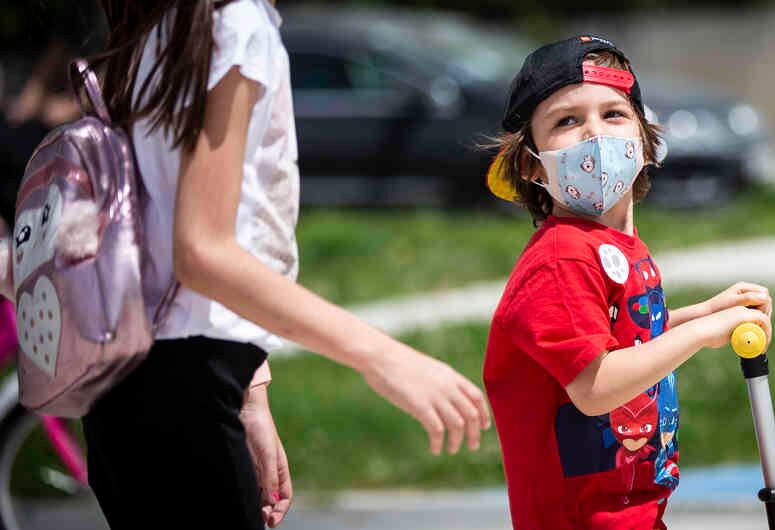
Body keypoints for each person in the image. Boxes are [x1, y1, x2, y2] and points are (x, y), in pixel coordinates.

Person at [78, 1, 491, 529]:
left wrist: (250, 389)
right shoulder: (233, 22)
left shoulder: (162, 20)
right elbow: (203, 252)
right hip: (182, 384)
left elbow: (162, 239)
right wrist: (383, 357)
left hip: (132, 377)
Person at [482, 35, 773, 529]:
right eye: (566, 121)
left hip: (632, 509)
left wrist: (702, 314)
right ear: (531, 163)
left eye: (613, 114)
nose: (595, 134)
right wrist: (700, 334)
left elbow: (620, 339)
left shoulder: (612, 246)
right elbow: (595, 385)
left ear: (643, 138)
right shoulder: (561, 257)